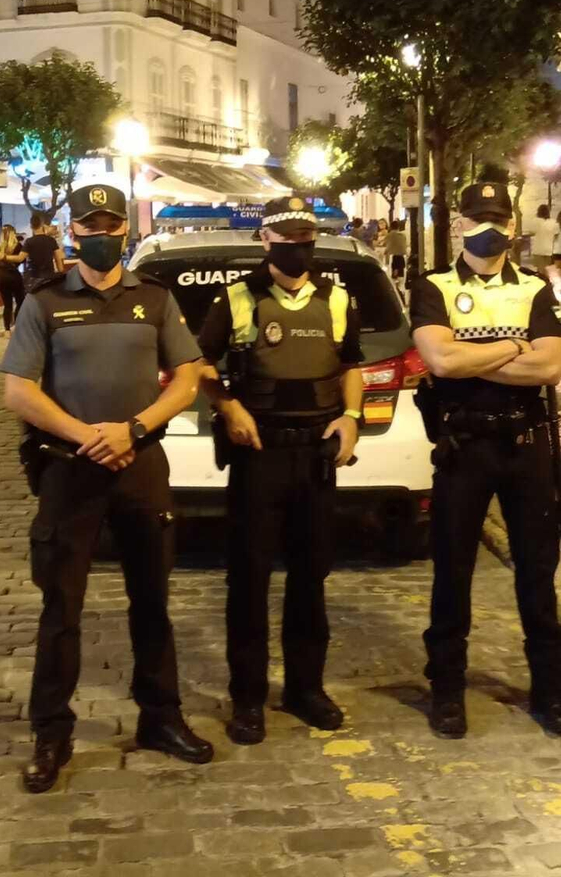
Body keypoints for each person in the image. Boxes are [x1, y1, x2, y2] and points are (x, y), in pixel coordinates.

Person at [0, 183, 212, 793]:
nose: (100, 235)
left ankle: (160, 717)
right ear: (72, 233)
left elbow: (188, 378)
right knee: (60, 605)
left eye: (110, 225)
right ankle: (51, 731)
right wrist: (87, 435)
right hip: (71, 469)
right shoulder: (43, 303)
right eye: (88, 226)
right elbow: (19, 390)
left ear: (125, 231)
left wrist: (134, 429)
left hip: (140, 464)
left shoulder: (155, 299)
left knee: (153, 598)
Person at [196, 195, 363, 746]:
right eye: (286, 238)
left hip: (314, 456)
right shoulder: (236, 299)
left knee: (311, 576)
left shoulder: (338, 299)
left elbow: (351, 366)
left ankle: (304, 688)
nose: (297, 247)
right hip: (258, 455)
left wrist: (353, 417)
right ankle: (248, 697)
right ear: (264, 240)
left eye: (304, 237)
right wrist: (228, 406)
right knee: (248, 580)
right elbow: (198, 366)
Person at [410, 181, 561, 739]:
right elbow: (438, 359)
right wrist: (514, 347)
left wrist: (470, 357)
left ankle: (551, 691)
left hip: (526, 446)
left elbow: (550, 368)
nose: (489, 226)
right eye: (478, 216)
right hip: (464, 447)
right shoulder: (432, 286)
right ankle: (447, 691)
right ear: (459, 222)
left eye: (498, 217)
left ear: (511, 223)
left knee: (538, 573)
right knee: (452, 574)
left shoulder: (533, 288)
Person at [0, 223, 28, 336]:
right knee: (20, 301)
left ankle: (6, 329)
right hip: (14, 276)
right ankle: (16, 325)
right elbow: (22, 260)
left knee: (7, 304)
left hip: (1, 277)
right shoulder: (18, 246)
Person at [23, 212, 62, 287]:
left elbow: (20, 258)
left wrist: (5, 257)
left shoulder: (29, 241)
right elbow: (58, 257)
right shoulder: (51, 240)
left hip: (34, 276)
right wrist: (60, 270)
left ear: (31, 226)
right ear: (42, 225)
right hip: (49, 275)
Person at [529, 204, 558, 275]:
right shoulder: (553, 222)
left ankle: (542, 284)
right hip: (549, 250)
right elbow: (556, 235)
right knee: (548, 270)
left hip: (538, 250)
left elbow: (531, 231)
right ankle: (548, 283)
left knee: (540, 270)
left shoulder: (535, 221)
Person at [385, 219, 409, 288]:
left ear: (391, 227)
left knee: (394, 271)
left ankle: (395, 285)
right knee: (401, 273)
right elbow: (405, 245)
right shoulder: (403, 235)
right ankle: (400, 286)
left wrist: (385, 251)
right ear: (398, 227)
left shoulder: (389, 235)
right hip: (402, 256)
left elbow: (387, 245)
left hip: (393, 256)